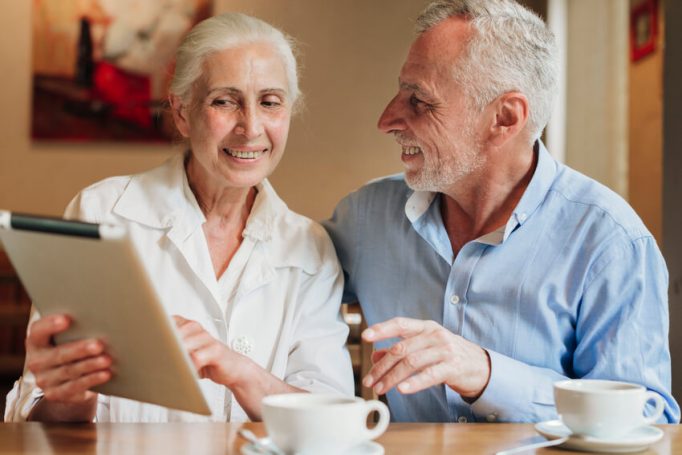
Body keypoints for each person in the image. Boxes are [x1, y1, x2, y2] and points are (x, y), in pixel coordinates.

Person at [323, 0, 680, 423]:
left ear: (505, 117)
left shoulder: (610, 242)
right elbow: (278, 277)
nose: (387, 120)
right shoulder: (367, 218)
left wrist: (487, 374)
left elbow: (648, 419)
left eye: (419, 100)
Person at [5, 12, 353, 423]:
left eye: (270, 102)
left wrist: (240, 371)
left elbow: (332, 421)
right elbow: (36, 418)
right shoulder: (100, 212)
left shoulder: (311, 247)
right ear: (182, 112)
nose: (251, 127)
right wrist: (74, 394)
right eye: (225, 101)